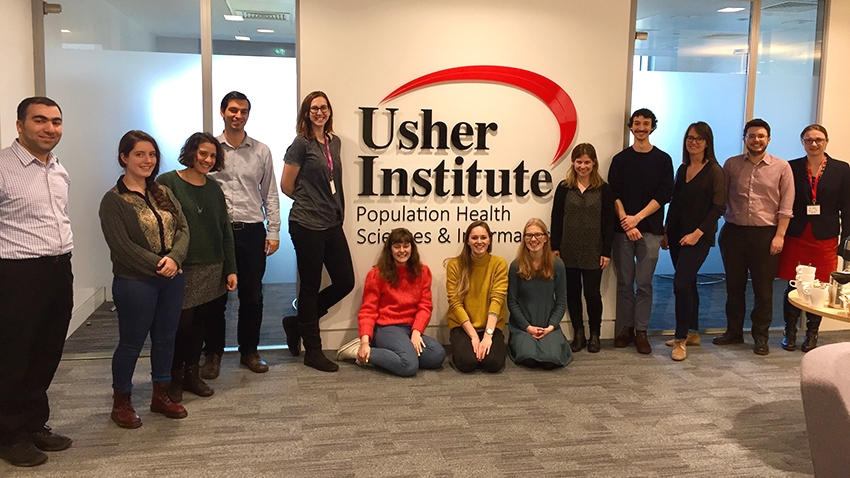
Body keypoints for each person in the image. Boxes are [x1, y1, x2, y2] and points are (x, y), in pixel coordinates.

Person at [0, 97, 74, 467]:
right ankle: (9, 434)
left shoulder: (58, 169)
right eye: (40, 120)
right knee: (13, 356)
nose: (49, 128)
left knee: (47, 352)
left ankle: (33, 423)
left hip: (59, 269)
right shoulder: (1, 167)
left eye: (56, 121)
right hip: (17, 273)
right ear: (20, 125)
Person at [99, 130, 190, 429]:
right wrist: (159, 264)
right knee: (131, 343)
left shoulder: (162, 191)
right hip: (135, 282)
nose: (147, 160)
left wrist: (174, 259)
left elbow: (183, 229)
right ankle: (121, 401)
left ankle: (160, 396)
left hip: (172, 278)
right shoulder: (113, 201)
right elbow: (121, 246)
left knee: (165, 339)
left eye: (151, 154)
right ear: (124, 157)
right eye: (139, 154)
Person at [204, 91, 280, 377]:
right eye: (233, 110)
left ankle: (249, 351)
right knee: (215, 297)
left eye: (244, 111)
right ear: (222, 111)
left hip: (251, 231)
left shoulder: (261, 151)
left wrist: (273, 231)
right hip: (217, 232)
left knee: (253, 296)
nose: (238, 115)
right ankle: (212, 353)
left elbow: (270, 192)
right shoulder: (210, 149)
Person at [157, 133, 237, 402]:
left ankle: (192, 374)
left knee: (200, 325)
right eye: (203, 153)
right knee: (180, 325)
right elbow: (160, 226)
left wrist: (231, 268)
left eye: (213, 156)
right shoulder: (167, 182)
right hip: (182, 268)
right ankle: (173, 377)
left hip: (212, 267)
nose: (207, 159)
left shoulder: (214, 188)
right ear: (191, 152)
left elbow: (225, 231)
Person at [281, 91, 355, 372]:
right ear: (306, 113)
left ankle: (297, 322)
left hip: (332, 222)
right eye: (314, 108)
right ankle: (313, 349)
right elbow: (287, 185)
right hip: (306, 224)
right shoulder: (301, 144)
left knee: (345, 281)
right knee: (310, 286)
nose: (319, 112)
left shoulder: (333, 142)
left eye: (324, 107)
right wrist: (311, 201)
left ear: (329, 111)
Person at [714, 119, 794, 355]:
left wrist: (779, 236)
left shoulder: (781, 167)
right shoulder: (732, 165)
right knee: (734, 287)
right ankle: (734, 332)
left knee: (763, 289)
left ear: (768, 139)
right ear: (744, 138)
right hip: (734, 233)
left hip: (766, 234)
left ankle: (761, 336)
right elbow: (722, 196)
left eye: (761, 136)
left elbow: (786, 205)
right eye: (751, 136)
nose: (756, 140)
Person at [778, 124, 850, 352]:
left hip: (826, 236)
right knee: (793, 282)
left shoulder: (841, 169)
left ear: (826, 141)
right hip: (796, 233)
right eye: (809, 140)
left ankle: (812, 334)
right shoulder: (792, 167)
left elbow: (847, 207)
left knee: (821, 285)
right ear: (803, 142)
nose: (814, 144)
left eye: (818, 139)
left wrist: (846, 241)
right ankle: (789, 332)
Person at [608, 108, 674, 354]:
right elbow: (613, 193)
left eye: (646, 123)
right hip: (622, 230)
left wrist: (637, 218)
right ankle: (625, 328)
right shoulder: (620, 159)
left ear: (652, 127)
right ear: (630, 126)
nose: (641, 127)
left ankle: (642, 331)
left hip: (650, 230)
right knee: (625, 282)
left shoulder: (663, 159)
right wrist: (626, 220)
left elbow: (665, 194)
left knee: (644, 283)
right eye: (637, 123)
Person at [337, 228, 446, 376]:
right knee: (409, 366)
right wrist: (364, 341)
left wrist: (416, 332)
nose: (402, 250)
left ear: (412, 248)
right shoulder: (376, 274)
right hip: (386, 328)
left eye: (406, 245)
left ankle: (396, 355)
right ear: (390, 250)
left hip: (410, 328)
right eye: (397, 246)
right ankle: (357, 351)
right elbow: (368, 310)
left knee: (437, 354)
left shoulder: (423, 272)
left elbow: (425, 306)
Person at [661, 122, 726, 361]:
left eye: (699, 138)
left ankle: (680, 340)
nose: (693, 142)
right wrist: (666, 230)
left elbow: (718, 207)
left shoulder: (715, 171)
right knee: (688, 284)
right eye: (690, 138)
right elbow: (675, 203)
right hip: (678, 235)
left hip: (698, 237)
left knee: (680, 284)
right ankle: (693, 332)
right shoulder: (682, 168)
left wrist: (698, 233)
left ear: (707, 142)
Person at [550, 143, 615, 353]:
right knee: (572, 292)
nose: (583, 166)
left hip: (594, 250)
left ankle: (595, 334)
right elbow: (556, 218)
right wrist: (554, 247)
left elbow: (608, 223)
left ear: (594, 162)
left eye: (587, 162)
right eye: (579, 162)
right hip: (568, 248)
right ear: (573, 162)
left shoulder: (603, 189)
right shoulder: (564, 187)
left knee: (592, 294)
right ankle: (579, 333)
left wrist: (606, 251)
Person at [446, 221, 508, 373]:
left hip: (490, 326)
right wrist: (474, 336)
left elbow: (497, 300)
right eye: (474, 238)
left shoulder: (499, 264)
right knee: (467, 364)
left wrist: (487, 336)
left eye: (483, 237)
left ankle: (481, 351)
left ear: (489, 240)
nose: (479, 242)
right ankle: (467, 352)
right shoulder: (454, 265)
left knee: (493, 364)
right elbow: (455, 303)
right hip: (463, 326)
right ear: (467, 240)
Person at [508, 218, 571, 369]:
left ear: (545, 238)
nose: (533, 239)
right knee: (528, 357)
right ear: (524, 239)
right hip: (523, 327)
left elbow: (561, 302)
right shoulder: (516, 266)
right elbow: (512, 302)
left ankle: (553, 340)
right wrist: (527, 327)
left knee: (551, 359)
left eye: (538, 235)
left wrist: (551, 326)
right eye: (529, 235)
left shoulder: (558, 265)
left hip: (548, 325)